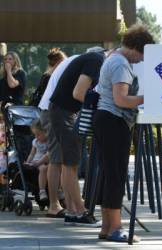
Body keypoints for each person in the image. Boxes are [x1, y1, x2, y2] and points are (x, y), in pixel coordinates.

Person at [93, 24, 154, 242]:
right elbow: (121, 99)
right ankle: (115, 228)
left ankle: (107, 227)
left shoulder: (113, 58)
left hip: (105, 119)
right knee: (116, 175)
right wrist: (149, 97)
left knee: (108, 174)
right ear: (136, 47)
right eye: (143, 54)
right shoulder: (120, 63)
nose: (142, 59)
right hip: (114, 120)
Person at [49, 48, 105, 226]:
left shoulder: (91, 58)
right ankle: (81, 211)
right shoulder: (97, 60)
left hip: (62, 111)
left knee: (68, 164)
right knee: (71, 164)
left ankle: (73, 211)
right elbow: (79, 93)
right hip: (64, 112)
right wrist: (101, 107)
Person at [39, 53, 78, 218]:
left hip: (55, 110)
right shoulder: (83, 64)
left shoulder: (74, 61)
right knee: (56, 159)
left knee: (62, 160)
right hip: (53, 111)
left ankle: (68, 204)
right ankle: (54, 205)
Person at [25, 119, 49, 201]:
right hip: (37, 161)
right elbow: (32, 153)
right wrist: (28, 162)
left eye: (38, 134)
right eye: (35, 134)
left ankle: (58, 189)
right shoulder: (35, 142)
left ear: (46, 132)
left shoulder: (50, 141)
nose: (36, 137)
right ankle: (42, 191)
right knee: (43, 169)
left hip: (48, 161)